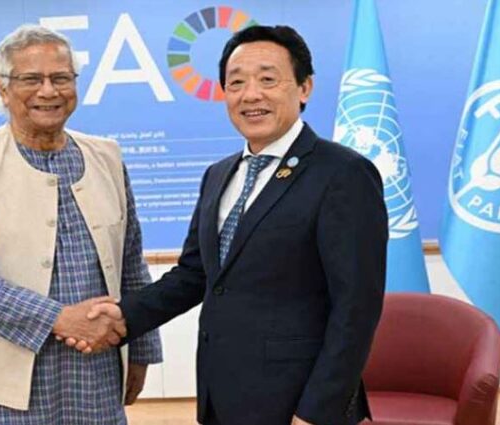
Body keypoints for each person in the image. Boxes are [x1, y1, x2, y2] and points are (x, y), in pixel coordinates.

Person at [83, 25, 387, 425]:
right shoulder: (219, 174)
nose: (251, 95)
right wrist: (123, 316)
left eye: (267, 79)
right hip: (223, 396)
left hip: (299, 403)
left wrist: (317, 411)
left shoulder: (343, 173)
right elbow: (194, 275)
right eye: (237, 82)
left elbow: (356, 308)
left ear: (305, 88)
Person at [0, 24, 162, 424]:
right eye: (31, 79)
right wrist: (59, 318)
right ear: (2, 88)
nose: (49, 91)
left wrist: (141, 350)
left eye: (61, 78)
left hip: (96, 379)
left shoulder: (107, 157)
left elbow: (131, 265)